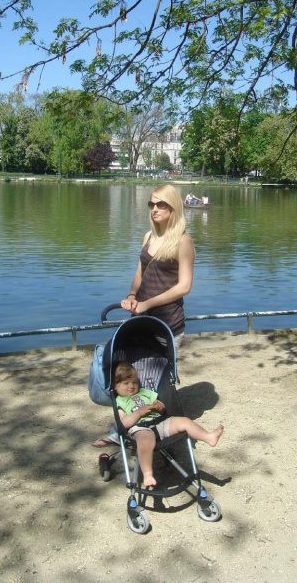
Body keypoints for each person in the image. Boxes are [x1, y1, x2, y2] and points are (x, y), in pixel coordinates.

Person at [92, 184, 195, 448]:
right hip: (141, 320)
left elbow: (184, 286)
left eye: (161, 204)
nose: (155, 209)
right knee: (133, 376)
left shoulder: (183, 241)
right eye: (151, 204)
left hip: (167, 323)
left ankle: (162, 428)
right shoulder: (148, 236)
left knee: (159, 378)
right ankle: (126, 426)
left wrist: (148, 303)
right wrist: (132, 295)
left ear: (173, 207)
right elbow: (140, 273)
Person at [114, 362, 224, 487]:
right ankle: (148, 473)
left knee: (184, 421)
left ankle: (208, 437)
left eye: (134, 382)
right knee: (144, 442)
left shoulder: (145, 392)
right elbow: (123, 423)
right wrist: (138, 413)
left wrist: (160, 406)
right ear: (116, 386)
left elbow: (162, 407)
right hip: (141, 429)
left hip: (160, 422)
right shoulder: (120, 401)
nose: (131, 386)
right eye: (126, 383)